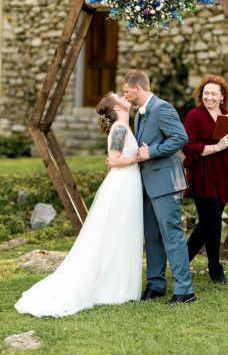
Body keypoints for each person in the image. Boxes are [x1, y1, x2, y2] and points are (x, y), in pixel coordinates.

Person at [14, 91, 144, 317]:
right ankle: (113, 288)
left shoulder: (124, 126)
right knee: (117, 232)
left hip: (127, 182)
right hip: (122, 184)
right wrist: (140, 157)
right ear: (116, 109)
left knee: (123, 233)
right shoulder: (121, 129)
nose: (124, 97)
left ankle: (119, 285)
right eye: (119, 97)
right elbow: (113, 160)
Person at [120, 70, 194, 304]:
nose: (125, 96)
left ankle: (184, 290)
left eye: (126, 91)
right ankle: (156, 284)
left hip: (164, 183)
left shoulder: (162, 108)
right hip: (145, 184)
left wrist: (152, 152)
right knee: (151, 236)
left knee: (172, 235)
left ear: (138, 88)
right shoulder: (139, 114)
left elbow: (180, 137)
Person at [183, 75, 228, 285]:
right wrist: (217, 146)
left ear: (222, 96)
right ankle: (215, 269)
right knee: (213, 221)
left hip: (223, 175)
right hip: (203, 175)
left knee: (207, 224)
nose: (209, 97)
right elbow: (188, 148)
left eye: (213, 93)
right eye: (205, 93)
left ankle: (182, 261)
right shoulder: (194, 116)